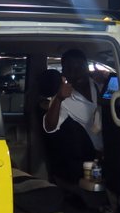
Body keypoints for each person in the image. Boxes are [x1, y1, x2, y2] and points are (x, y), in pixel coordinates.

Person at [41, 49, 106, 182]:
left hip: (109, 149)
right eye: (70, 69)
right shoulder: (63, 98)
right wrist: (59, 99)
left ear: (86, 67)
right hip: (90, 159)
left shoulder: (98, 85)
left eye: (80, 67)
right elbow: (49, 127)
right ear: (64, 72)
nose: (76, 73)